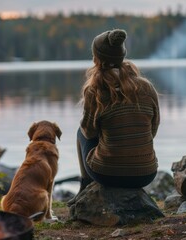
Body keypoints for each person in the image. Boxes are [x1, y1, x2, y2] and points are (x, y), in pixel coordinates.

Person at [69, 29, 160, 204]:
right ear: (122, 55)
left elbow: (88, 132)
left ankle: (85, 187)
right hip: (146, 174)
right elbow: (153, 129)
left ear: (97, 58)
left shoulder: (94, 91)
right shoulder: (147, 87)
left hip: (108, 175)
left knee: (80, 133)